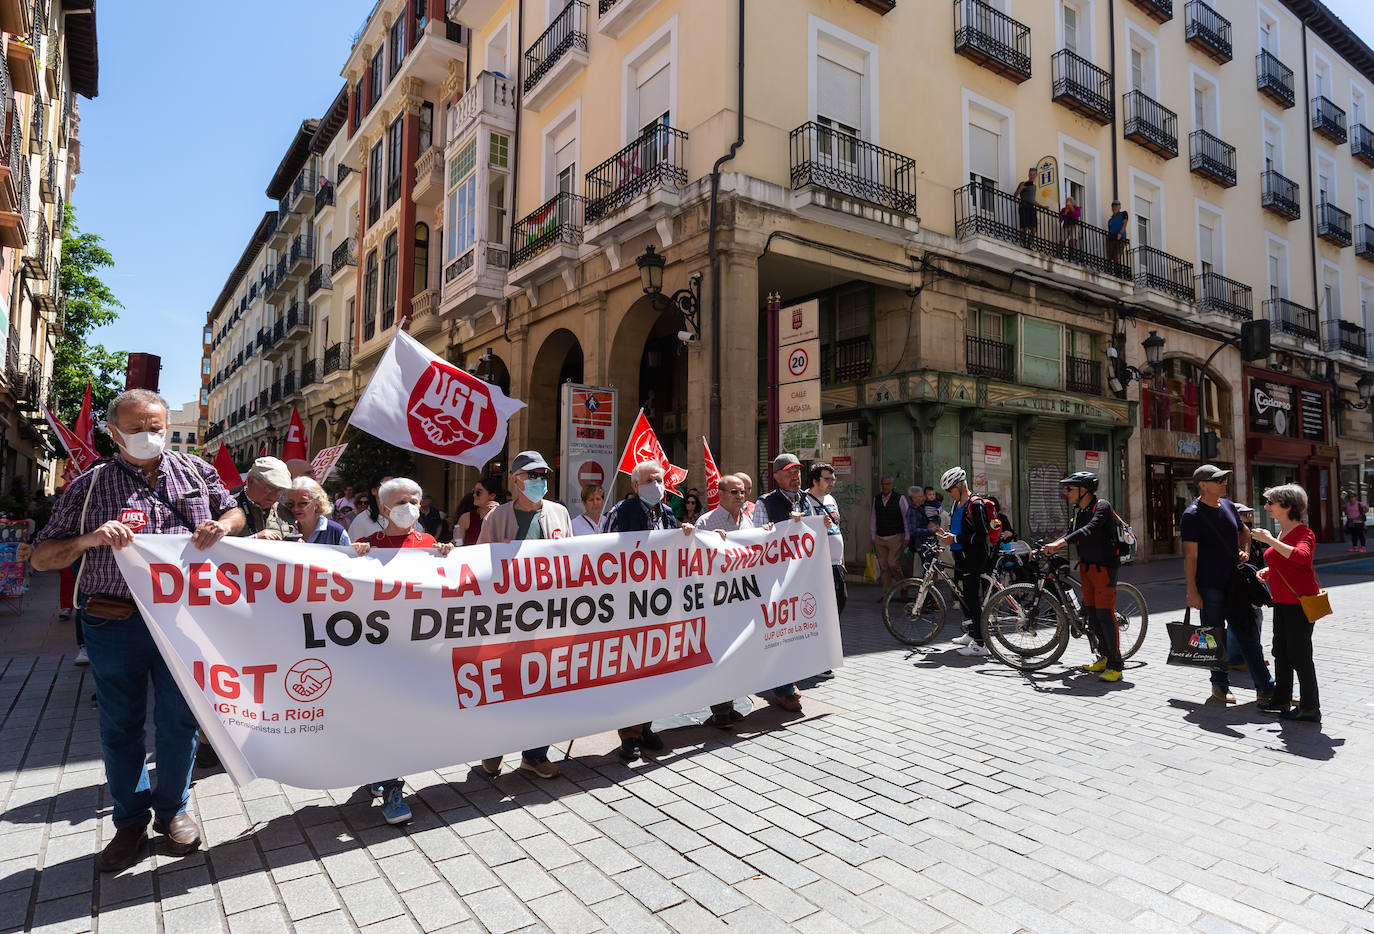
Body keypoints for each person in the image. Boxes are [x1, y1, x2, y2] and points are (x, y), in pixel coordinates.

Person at [29, 389, 245, 872]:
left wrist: (224, 526)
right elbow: (42, 556)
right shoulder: (88, 487)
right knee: (120, 725)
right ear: (113, 432)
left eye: (157, 426)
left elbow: (235, 510)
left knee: (180, 721)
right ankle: (129, 821)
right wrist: (89, 538)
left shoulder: (196, 472)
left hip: (185, 621)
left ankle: (172, 809)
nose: (148, 435)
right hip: (114, 621)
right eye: (137, 427)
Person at [351, 478, 455, 823]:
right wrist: (355, 558)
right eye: (400, 502)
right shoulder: (368, 545)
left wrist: (447, 557)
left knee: (404, 718)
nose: (409, 506)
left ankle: (388, 780)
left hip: (417, 652)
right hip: (377, 653)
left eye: (414, 500)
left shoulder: (428, 544)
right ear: (383, 508)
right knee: (382, 717)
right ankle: (385, 779)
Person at [478, 452, 571, 779]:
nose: (539, 481)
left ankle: (535, 754)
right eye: (531, 475)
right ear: (515, 480)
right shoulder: (497, 518)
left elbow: (571, 561)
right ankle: (493, 748)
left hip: (546, 618)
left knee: (542, 685)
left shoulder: (559, 513)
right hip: (507, 620)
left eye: (543, 475)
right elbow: (480, 566)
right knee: (504, 683)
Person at [605, 460, 695, 760]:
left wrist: (684, 535)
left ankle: (645, 726)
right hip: (629, 605)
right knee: (631, 671)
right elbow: (601, 553)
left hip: (660, 605)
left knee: (655, 669)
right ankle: (628, 735)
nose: (657, 485)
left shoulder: (668, 514)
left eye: (659, 480)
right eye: (650, 480)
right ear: (635, 485)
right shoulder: (620, 512)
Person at [1180, 464, 1252, 704]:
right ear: (1202, 485)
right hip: (1209, 585)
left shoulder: (1230, 506)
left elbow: (1245, 534)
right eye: (1218, 480)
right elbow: (1191, 557)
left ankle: (1264, 683)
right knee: (1213, 634)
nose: (1224, 483)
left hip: (1235, 582)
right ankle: (1219, 685)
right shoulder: (1192, 515)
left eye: (1224, 479)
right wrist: (1191, 591)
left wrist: (1245, 551)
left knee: (1245, 629)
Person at [698, 473, 764, 728]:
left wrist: (767, 534)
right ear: (721, 494)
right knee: (719, 655)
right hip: (717, 601)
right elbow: (697, 560)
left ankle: (730, 704)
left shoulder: (747, 520)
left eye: (743, 492)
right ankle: (720, 709)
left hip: (742, 599)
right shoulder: (707, 521)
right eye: (734, 492)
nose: (740, 496)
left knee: (737, 653)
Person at [1044, 472, 1123, 682]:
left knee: (1106, 615)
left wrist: (1059, 544)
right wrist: (1049, 547)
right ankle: (1104, 657)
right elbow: (1070, 533)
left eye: (1070, 489)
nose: (1066, 492)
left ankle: (1116, 665)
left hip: (1105, 568)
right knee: (1092, 615)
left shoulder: (1102, 507)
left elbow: (1090, 529)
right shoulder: (1078, 510)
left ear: (1084, 490)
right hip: (1087, 567)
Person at [1253, 484, 1321, 721]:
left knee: (1300, 656)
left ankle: (1311, 708)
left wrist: (1270, 540)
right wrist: (1269, 570)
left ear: (1288, 506)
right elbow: (1285, 560)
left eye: (1271, 502)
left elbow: (1301, 557)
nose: (1267, 506)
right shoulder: (1282, 532)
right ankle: (1281, 700)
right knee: (1281, 652)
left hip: (1300, 603)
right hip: (1282, 602)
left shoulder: (1304, 533)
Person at [756, 454, 815, 712]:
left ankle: (788, 681)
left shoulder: (807, 500)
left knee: (795, 631)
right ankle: (782, 689)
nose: (796, 476)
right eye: (790, 472)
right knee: (779, 633)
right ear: (777, 476)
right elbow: (756, 540)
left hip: (799, 577)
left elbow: (814, 532)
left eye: (798, 472)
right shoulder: (765, 503)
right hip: (775, 579)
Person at [935, 467, 994, 656]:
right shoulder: (956, 504)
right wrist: (949, 536)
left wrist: (955, 539)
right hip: (960, 556)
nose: (948, 494)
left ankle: (981, 643)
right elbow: (959, 530)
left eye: (950, 490)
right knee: (962, 596)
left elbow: (981, 535)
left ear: (960, 485)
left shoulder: (975, 504)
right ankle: (971, 632)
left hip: (974, 557)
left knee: (971, 597)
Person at [232, 457, 295, 540]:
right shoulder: (227, 507)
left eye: (280, 489)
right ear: (250, 481)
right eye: (270, 487)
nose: (275, 494)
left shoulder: (285, 513)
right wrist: (253, 539)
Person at [870, 475, 908, 600]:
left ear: (892, 485)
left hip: (895, 536)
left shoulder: (900, 498)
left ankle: (903, 586)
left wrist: (907, 536)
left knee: (893, 564)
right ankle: (886, 594)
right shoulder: (877, 498)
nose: (885, 487)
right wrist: (873, 535)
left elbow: (906, 519)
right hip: (880, 537)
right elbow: (874, 517)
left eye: (887, 484)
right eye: (883, 484)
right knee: (884, 567)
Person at [286, 477, 350, 544]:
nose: (295, 509)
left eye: (303, 503)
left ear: (317, 503)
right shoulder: (284, 530)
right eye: (290, 504)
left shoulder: (336, 532)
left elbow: (349, 553)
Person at [348, 474, 393, 540]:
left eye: (396, 487)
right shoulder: (361, 521)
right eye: (387, 486)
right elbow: (352, 547)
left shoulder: (405, 517)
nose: (392, 490)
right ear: (374, 491)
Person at [457, 478, 499, 546]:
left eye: (478, 492)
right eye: (473, 491)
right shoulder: (466, 518)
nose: (474, 495)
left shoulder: (502, 516)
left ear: (492, 496)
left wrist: (500, 511)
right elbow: (457, 543)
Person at [1014, 167, 1038, 244]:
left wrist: (1042, 206)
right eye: (1030, 174)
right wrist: (1021, 188)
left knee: (1034, 229)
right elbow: (1015, 195)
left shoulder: (1034, 187)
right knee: (1025, 227)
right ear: (1028, 175)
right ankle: (1023, 243)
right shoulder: (1023, 183)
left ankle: (1029, 244)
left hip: (1031, 208)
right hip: (1024, 206)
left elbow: (1032, 200)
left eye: (1033, 174)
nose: (1032, 176)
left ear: (1036, 175)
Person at [1107, 199, 1130, 265]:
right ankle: (1113, 270)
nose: (1114, 207)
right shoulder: (1110, 220)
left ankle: (1118, 272)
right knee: (1111, 256)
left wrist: (1120, 233)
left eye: (1116, 206)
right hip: (1112, 239)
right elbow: (1109, 231)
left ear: (1119, 207)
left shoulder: (1123, 213)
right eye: (1113, 206)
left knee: (1117, 255)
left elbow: (1124, 223)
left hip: (1121, 238)